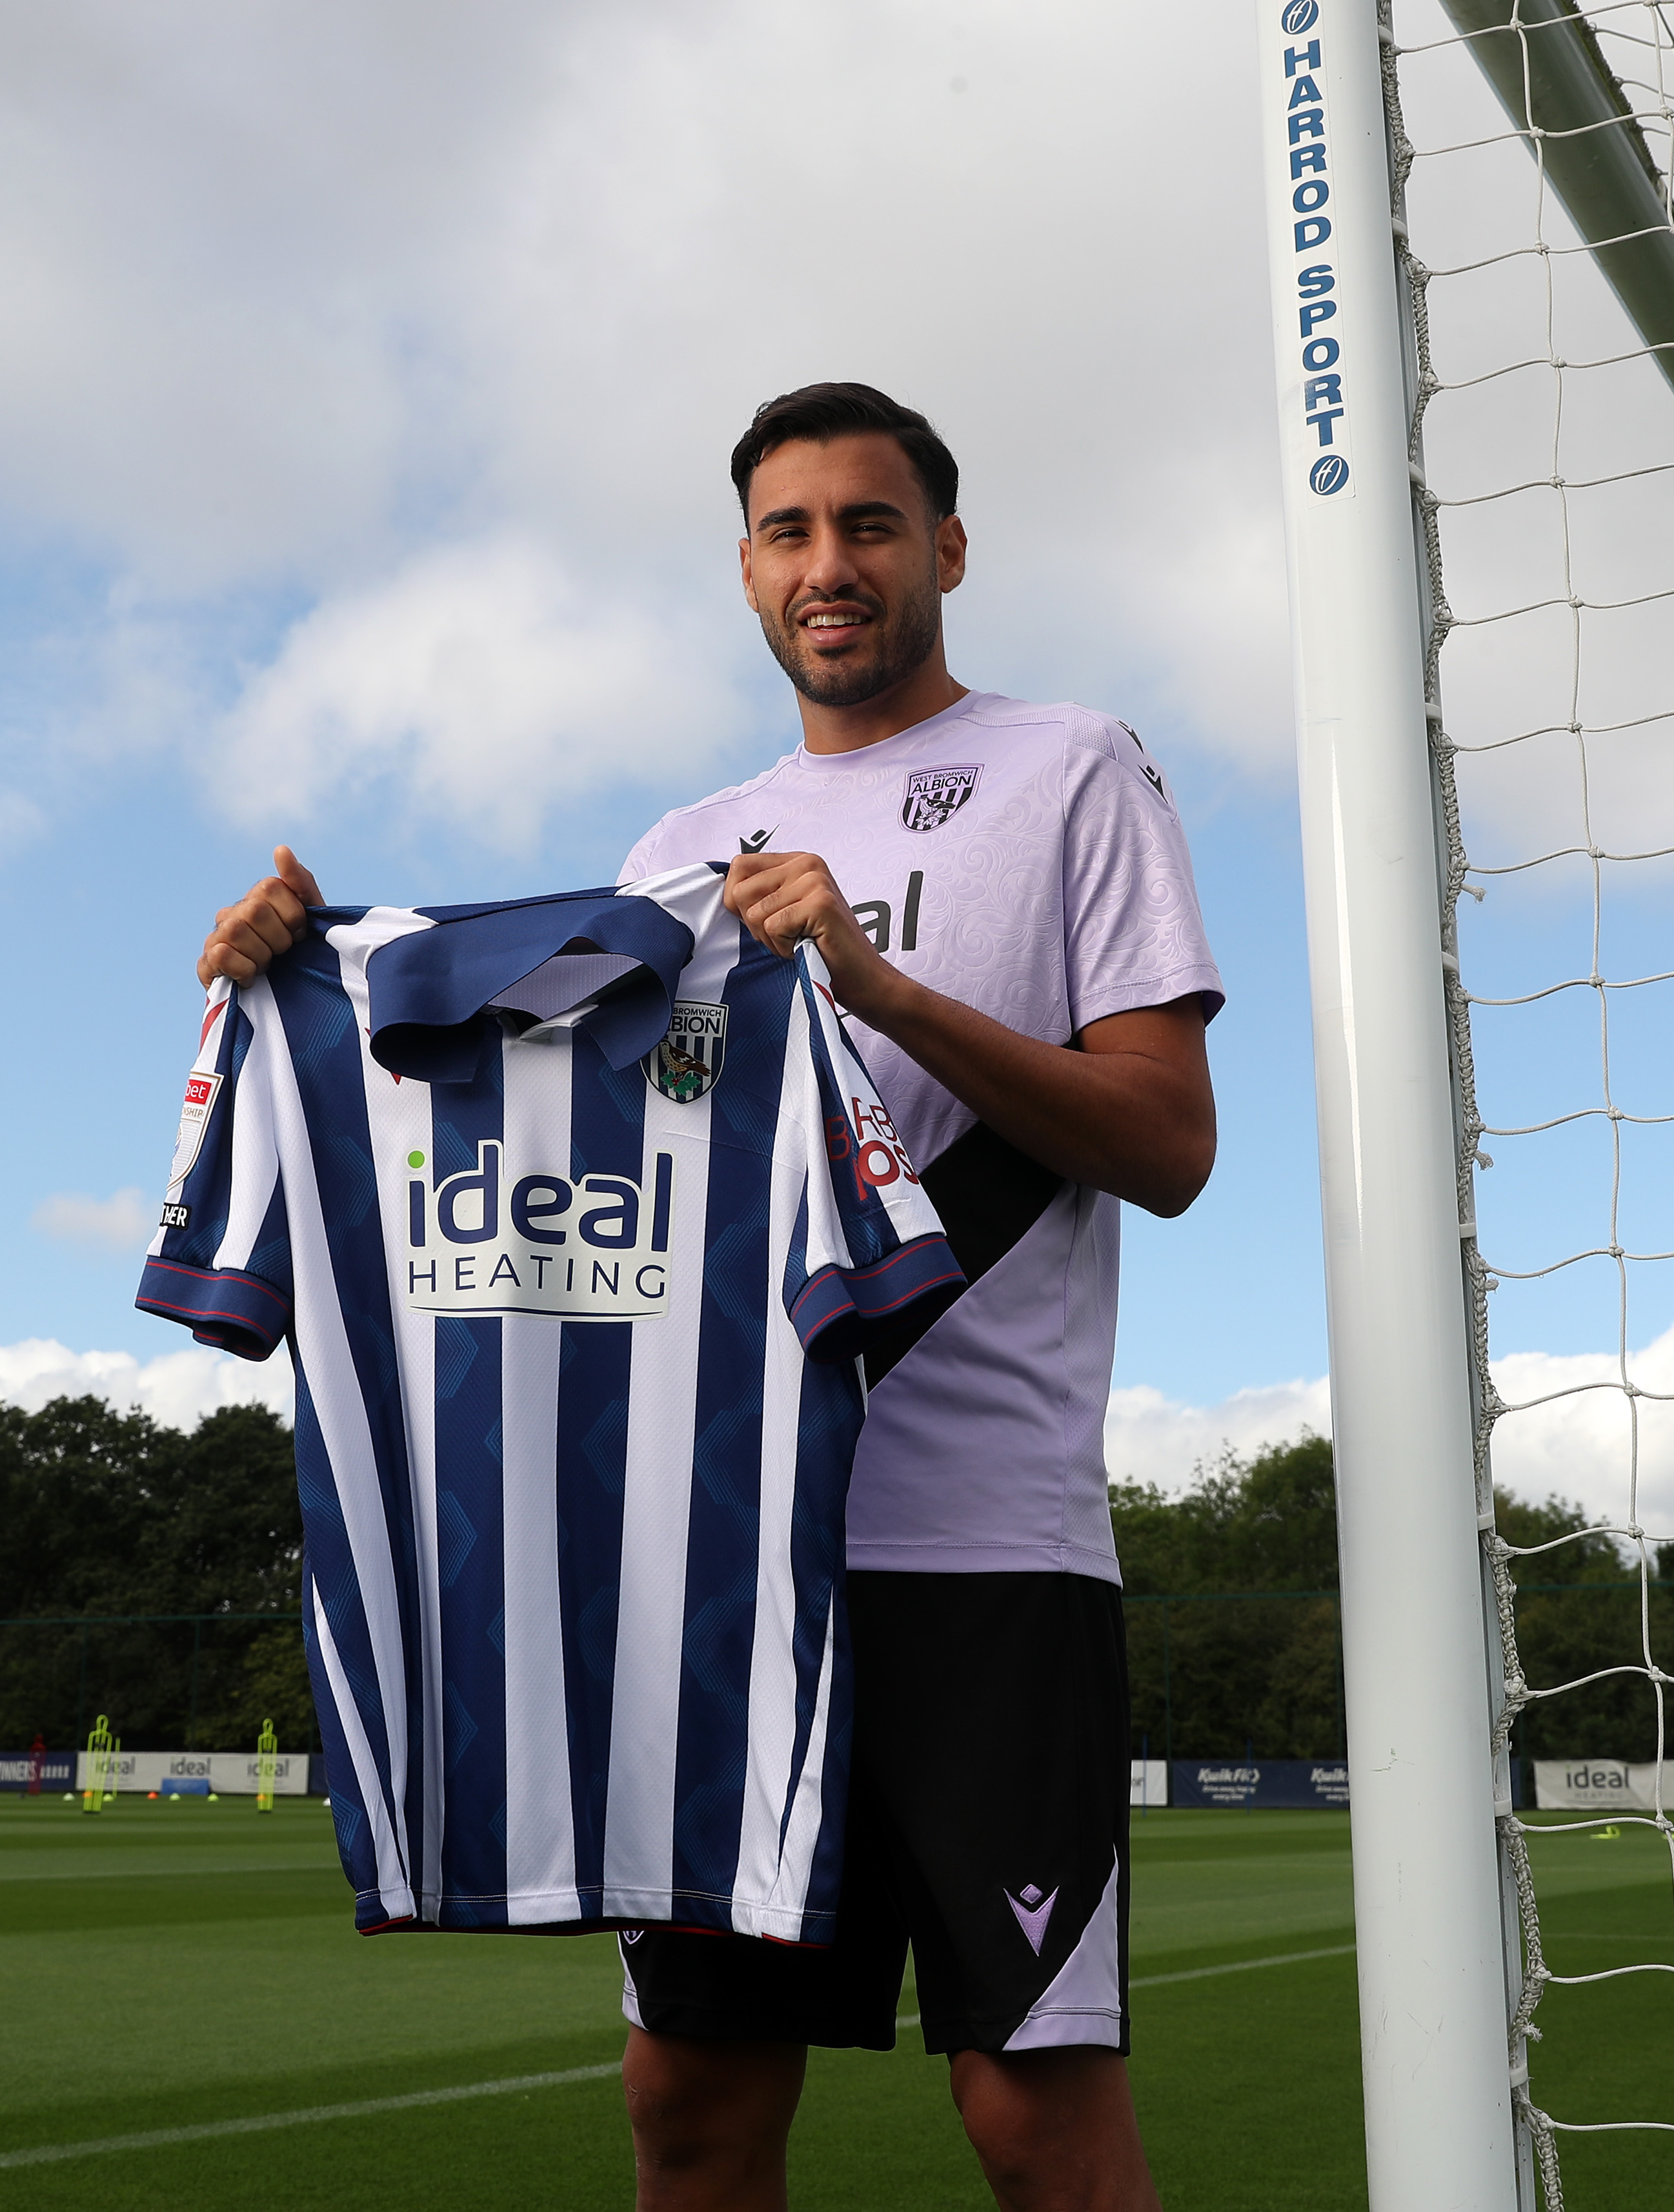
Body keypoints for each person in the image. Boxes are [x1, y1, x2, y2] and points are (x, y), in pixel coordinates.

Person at [197, 381, 1218, 2212]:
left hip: (981, 1549)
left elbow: (1164, 1136)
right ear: (746, 569)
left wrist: (875, 985)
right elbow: (507, 1075)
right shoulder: (687, 841)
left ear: (947, 551)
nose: (830, 563)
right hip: (725, 1558)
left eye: (871, 524)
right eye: (790, 530)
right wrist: (315, 963)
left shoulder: (1076, 763)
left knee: (1032, 2108)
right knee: (690, 2093)